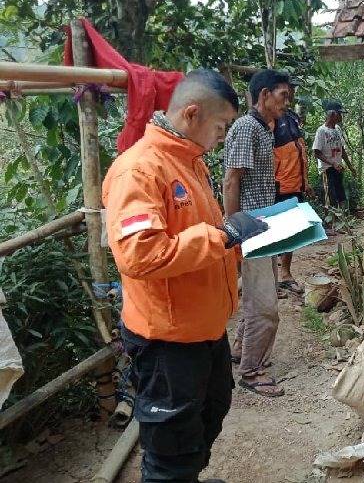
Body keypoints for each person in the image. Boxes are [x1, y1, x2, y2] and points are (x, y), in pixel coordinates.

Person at [103, 69, 268, 483]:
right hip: (167, 341)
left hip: (205, 329)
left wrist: (232, 240)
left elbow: (198, 238)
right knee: (170, 448)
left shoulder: (190, 163)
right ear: (192, 114)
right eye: (222, 125)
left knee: (210, 412)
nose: (223, 135)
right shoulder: (138, 170)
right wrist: (221, 235)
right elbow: (140, 254)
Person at [223, 69, 290, 397]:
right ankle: (250, 371)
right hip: (251, 229)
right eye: (282, 96)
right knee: (266, 307)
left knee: (256, 296)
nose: (286, 103)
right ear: (263, 95)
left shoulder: (264, 129)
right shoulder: (247, 128)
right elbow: (231, 180)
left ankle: (240, 349)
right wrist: (233, 229)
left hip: (264, 224)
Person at [273, 77, 312, 295]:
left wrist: (305, 182)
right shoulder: (268, 120)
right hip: (278, 186)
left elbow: (299, 153)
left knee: (292, 233)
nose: (291, 94)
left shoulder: (292, 118)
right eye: (288, 90)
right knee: (274, 234)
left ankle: (285, 275)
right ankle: (271, 280)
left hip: (295, 186)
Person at [312, 100, 356, 232]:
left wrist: (349, 165)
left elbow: (341, 149)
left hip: (338, 167)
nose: (341, 116)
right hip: (327, 169)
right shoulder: (321, 131)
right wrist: (332, 163)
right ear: (333, 114)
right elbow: (317, 152)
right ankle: (329, 226)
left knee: (340, 195)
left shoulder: (337, 129)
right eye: (340, 114)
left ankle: (341, 223)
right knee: (329, 197)